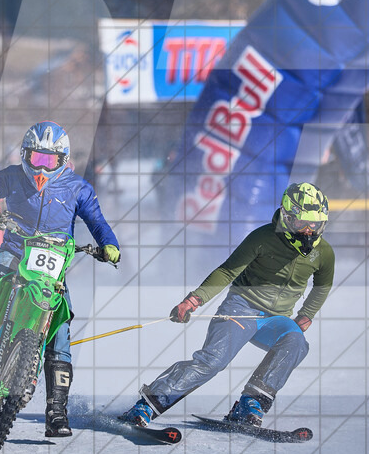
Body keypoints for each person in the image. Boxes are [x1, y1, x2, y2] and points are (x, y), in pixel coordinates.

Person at [0, 121, 121, 437]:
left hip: (52, 265)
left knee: (60, 329)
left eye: (49, 161)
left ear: (63, 160)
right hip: (14, 251)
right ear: (25, 155)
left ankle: (57, 412)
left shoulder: (78, 188)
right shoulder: (12, 176)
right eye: (36, 158)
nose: (41, 167)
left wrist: (110, 245)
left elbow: (98, 222)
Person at [119, 182, 333, 430]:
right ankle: (147, 405)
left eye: (314, 224)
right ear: (288, 218)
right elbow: (227, 271)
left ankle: (250, 404)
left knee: (296, 342)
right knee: (213, 362)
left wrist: (306, 315)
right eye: (302, 223)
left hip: (276, 320)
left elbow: (322, 286)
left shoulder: (324, 253)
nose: (308, 231)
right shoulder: (263, 238)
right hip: (241, 309)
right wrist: (194, 299)